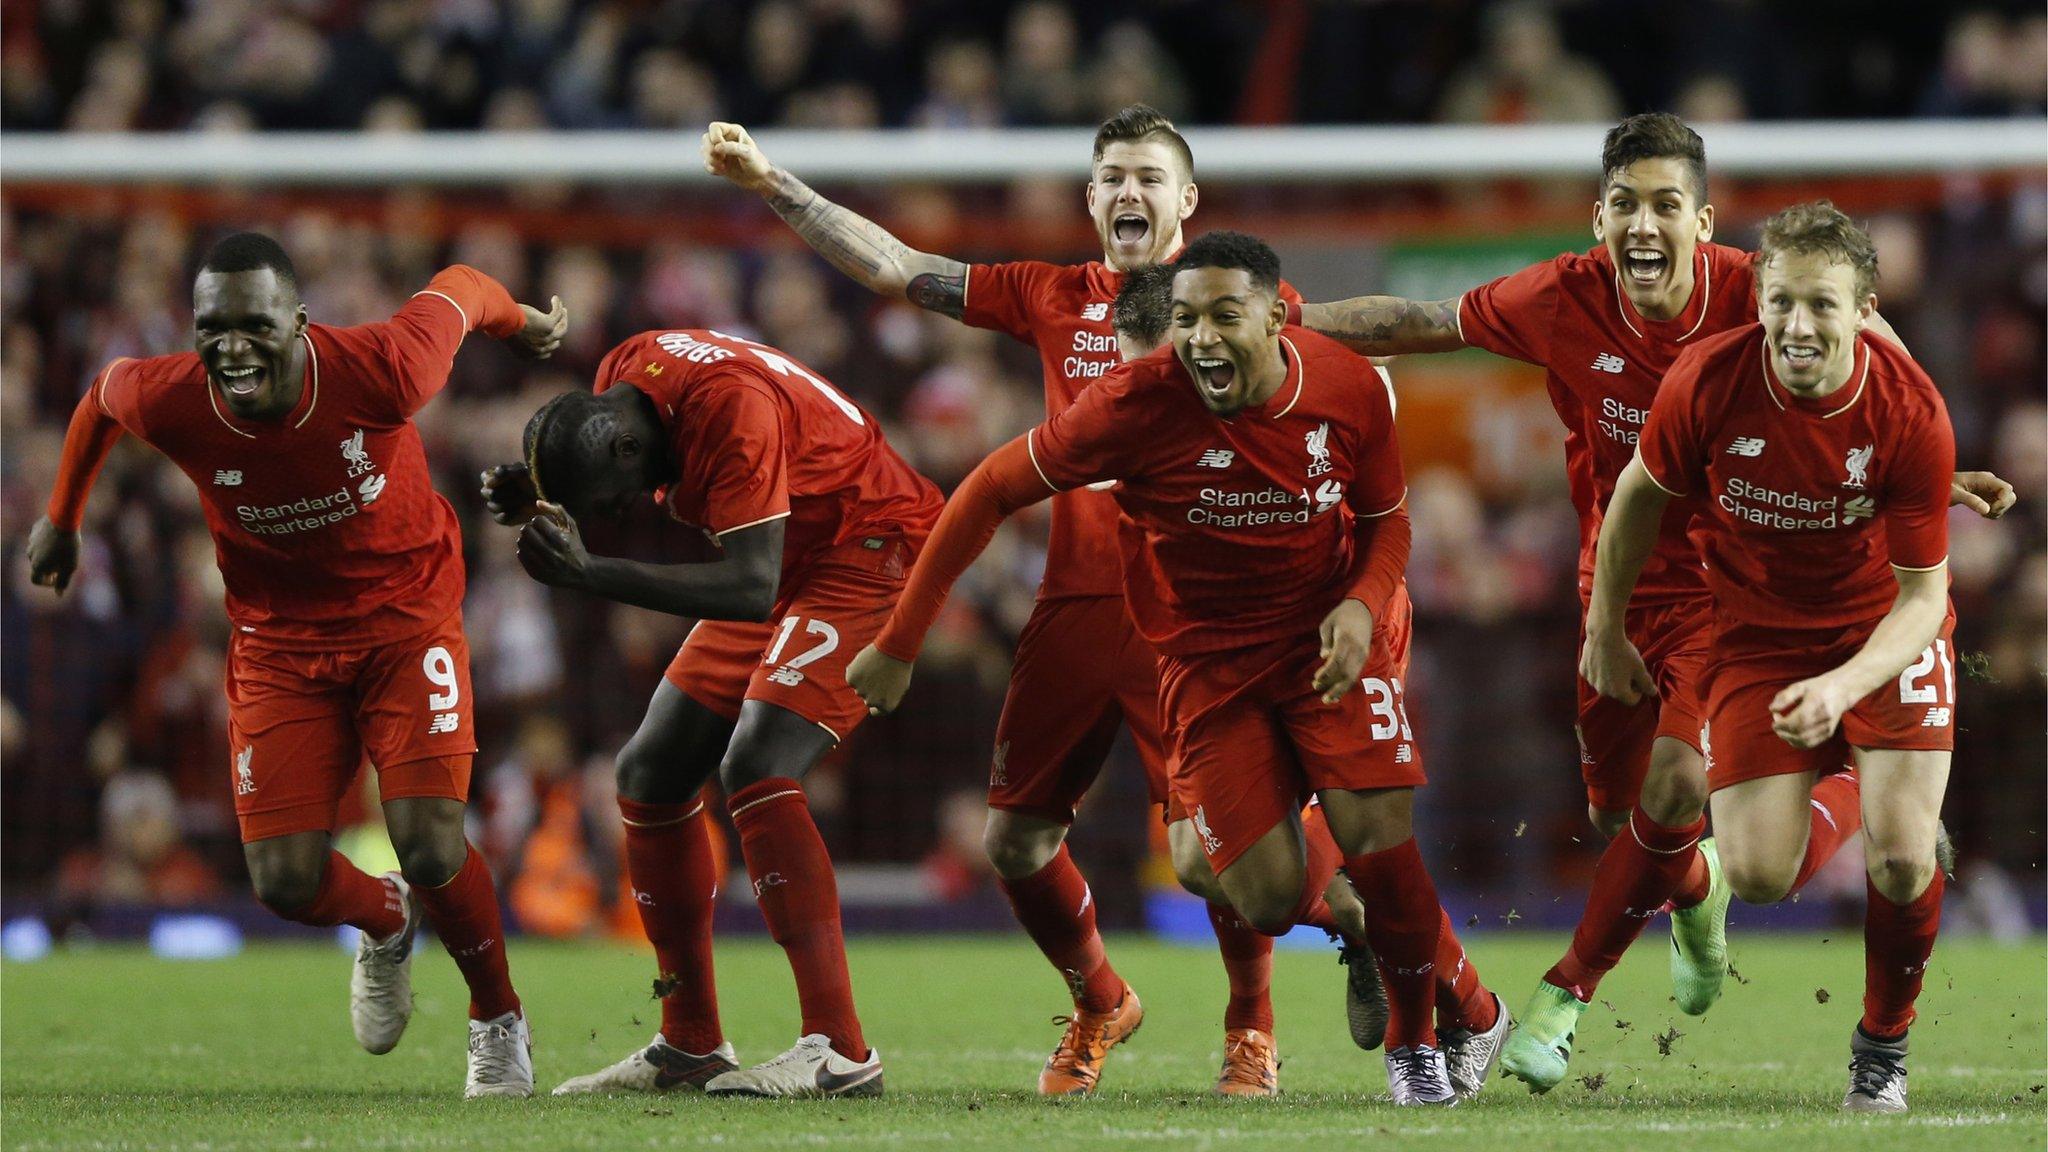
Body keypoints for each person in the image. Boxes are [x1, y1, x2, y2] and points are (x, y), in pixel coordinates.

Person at [1290, 113, 2016, 1090]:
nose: (1642, 223)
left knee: (1677, 788)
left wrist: (1925, 455)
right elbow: (1418, 324)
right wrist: (1276, 321)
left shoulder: (1756, 297)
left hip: (1729, 588)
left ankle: (1559, 1003)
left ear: (1701, 219)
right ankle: (1700, 891)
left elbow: (1867, 347)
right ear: (1596, 219)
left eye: (1664, 204)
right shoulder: (1563, 299)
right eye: (1623, 204)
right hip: (1619, 582)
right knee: (1620, 821)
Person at [701, 102, 1362, 1099]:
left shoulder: (1243, 308)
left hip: (1195, 610)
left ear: (1186, 199)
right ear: (1090, 199)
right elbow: (894, 268)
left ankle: (1259, 1020)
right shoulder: (1048, 295)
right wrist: (770, 185)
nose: (1127, 191)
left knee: (1205, 854)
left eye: (1148, 175)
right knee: (1010, 841)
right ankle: (1101, 998)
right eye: (1111, 176)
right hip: (1072, 604)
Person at [847, 233, 1504, 1106]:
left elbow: (1388, 518)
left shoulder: (1345, 384)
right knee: (1247, 887)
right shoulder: (1132, 402)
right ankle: (1366, 932)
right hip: (1205, 661)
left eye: (1222, 317)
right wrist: (899, 639)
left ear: (1277, 316)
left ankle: (1416, 1048)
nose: (1199, 339)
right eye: (1186, 320)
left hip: (1328, 641)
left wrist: (1360, 604)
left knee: (1377, 835)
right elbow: (990, 488)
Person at [28, 232, 566, 1097]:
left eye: (252, 324)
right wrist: (62, 519)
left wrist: (522, 321)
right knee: (283, 880)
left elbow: (461, 286)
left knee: (429, 841)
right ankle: (385, 919)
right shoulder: (173, 397)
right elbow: (100, 398)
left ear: (300, 322)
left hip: (407, 624)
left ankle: (496, 1018)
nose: (230, 346)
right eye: (211, 326)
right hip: (281, 644)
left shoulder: (383, 369)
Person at [1584, 202, 1979, 1114]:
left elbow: (1926, 599)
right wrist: (1605, 629)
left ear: (1865, 309)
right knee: (1759, 876)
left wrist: (1842, 688)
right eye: (1782, 303)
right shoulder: (1709, 381)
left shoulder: (1910, 410)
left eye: (1824, 307)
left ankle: (1881, 1048)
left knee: (1903, 861)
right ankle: (1859, 786)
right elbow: (1639, 497)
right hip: (1759, 636)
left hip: (1881, 627)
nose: (1799, 327)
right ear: (1758, 298)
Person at [489, 325, 942, 1099]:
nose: (623, 510)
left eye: (612, 499)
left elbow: (748, 588)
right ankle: (690, 1041)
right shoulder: (624, 377)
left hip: (867, 550)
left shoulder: (731, 412)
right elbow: (744, 562)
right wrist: (541, 490)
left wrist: (593, 573)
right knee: (650, 772)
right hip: (790, 553)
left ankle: (840, 1049)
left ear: (628, 452)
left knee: (758, 762)